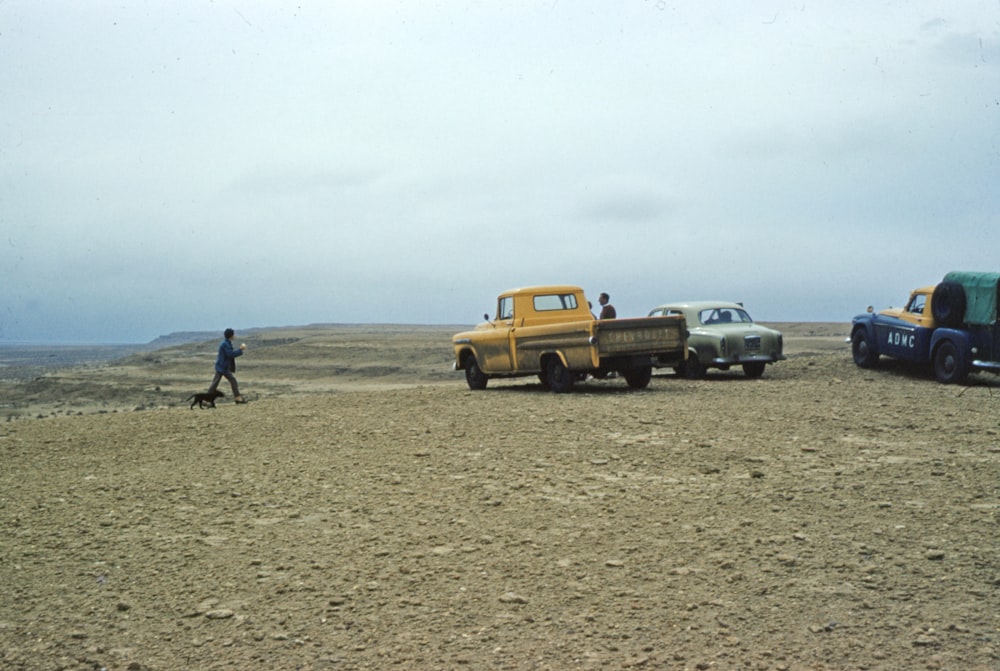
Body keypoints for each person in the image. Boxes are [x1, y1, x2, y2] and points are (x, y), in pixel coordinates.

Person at [207, 328, 247, 403]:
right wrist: (240, 349)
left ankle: (207, 399)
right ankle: (237, 397)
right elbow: (230, 354)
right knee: (230, 381)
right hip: (223, 367)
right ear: (231, 336)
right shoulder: (226, 344)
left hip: (222, 366)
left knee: (216, 383)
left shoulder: (226, 343)